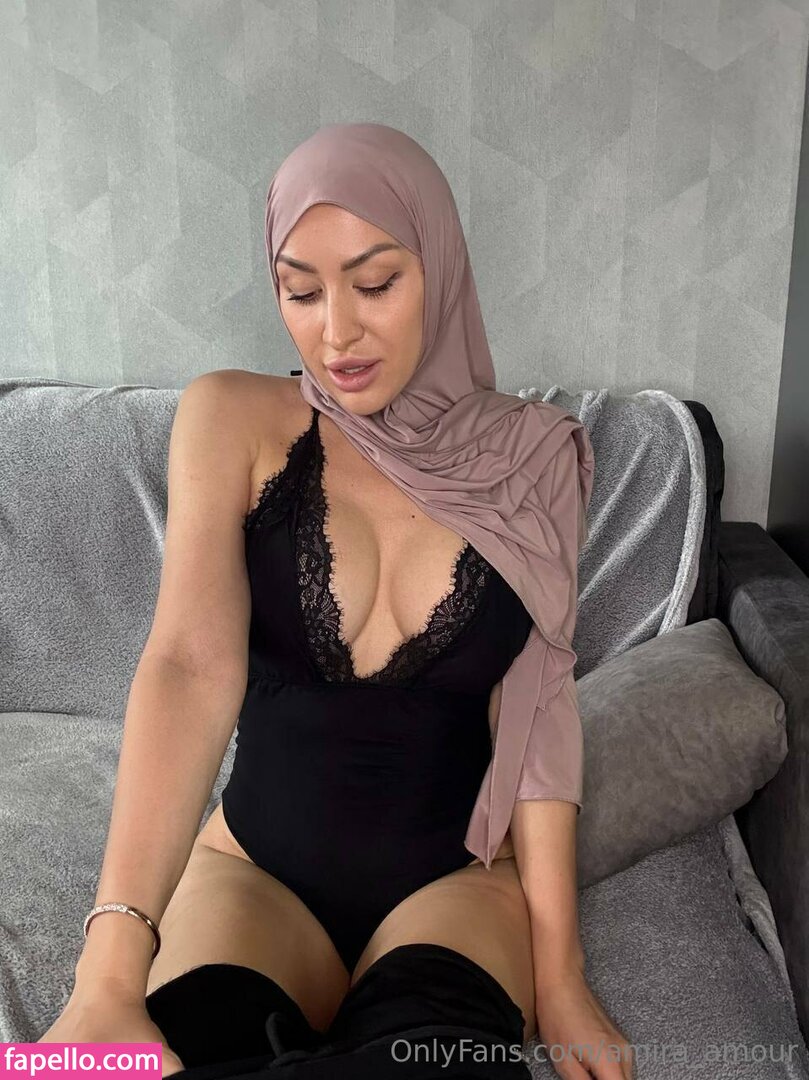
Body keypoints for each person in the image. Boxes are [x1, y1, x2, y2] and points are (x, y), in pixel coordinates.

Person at [39, 123, 633, 1079]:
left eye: (376, 283)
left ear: (439, 268)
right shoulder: (230, 418)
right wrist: (107, 971)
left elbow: (534, 709)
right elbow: (187, 665)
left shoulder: (537, 457)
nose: (336, 334)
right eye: (301, 291)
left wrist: (561, 977)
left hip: (456, 884)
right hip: (253, 874)